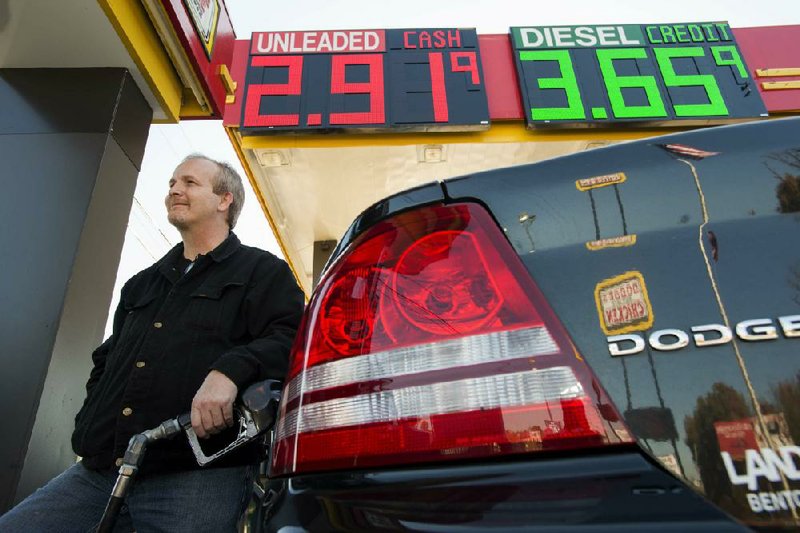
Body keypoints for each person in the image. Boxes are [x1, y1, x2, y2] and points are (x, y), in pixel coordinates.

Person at [0, 154, 305, 531]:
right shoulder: (142, 283)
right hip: (101, 472)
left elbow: (292, 337)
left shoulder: (263, 272)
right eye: (172, 183)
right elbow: (107, 359)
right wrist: (89, 423)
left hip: (195, 477)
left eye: (190, 183)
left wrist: (230, 370)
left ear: (225, 199)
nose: (175, 190)